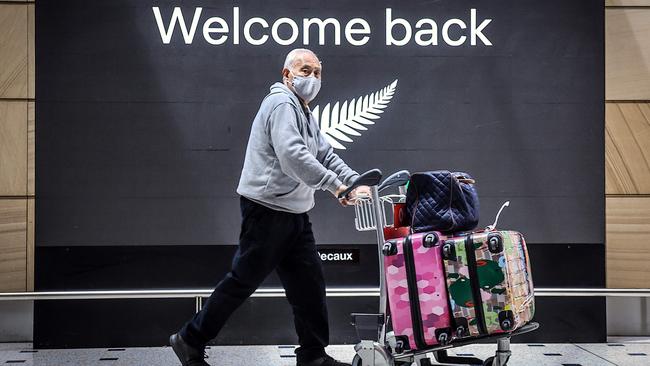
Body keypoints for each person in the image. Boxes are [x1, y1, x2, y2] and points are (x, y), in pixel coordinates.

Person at [169, 48, 370, 366]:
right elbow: (293, 157)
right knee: (243, 281)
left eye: (318, 72)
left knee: (309, 286)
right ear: (286, 75)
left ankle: (313, 356)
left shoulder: (303, 111)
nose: (313, 78)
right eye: (305, 71)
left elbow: (324, 153)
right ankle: (189, 339)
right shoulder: (280, 104)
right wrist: (336, 187)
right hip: (266, 211)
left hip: (295, 213)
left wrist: (353, 181)